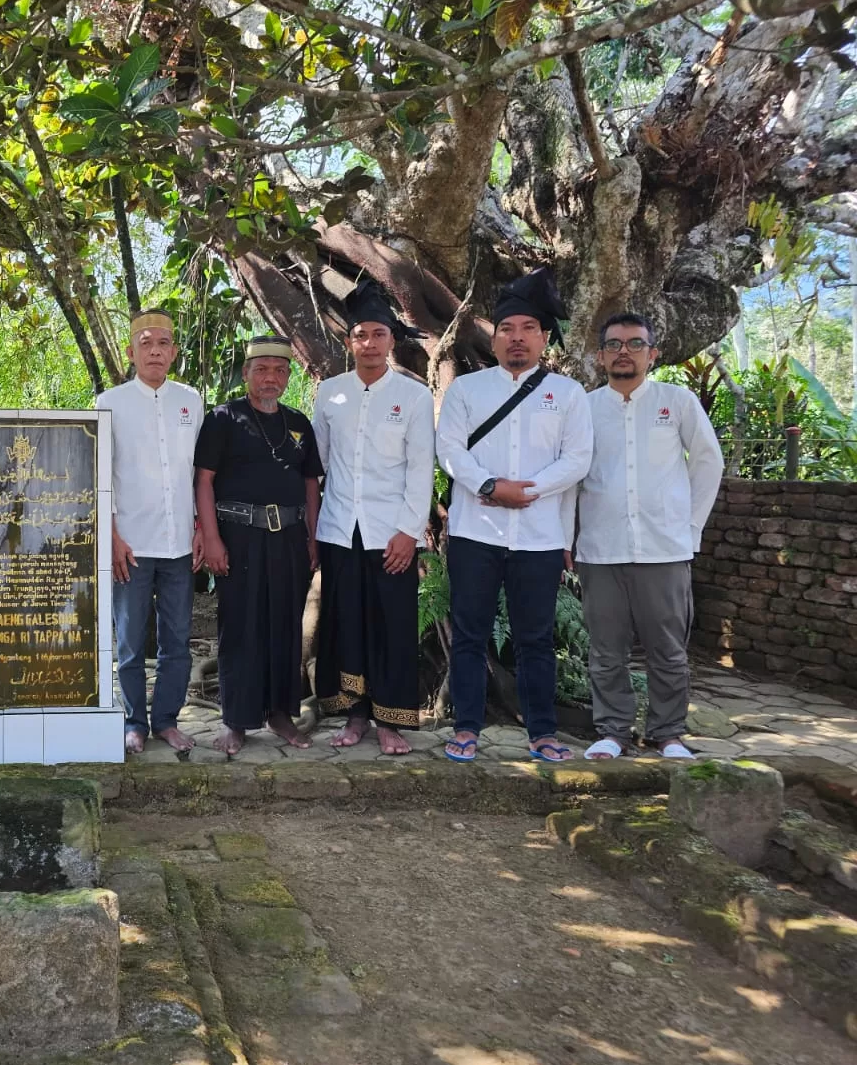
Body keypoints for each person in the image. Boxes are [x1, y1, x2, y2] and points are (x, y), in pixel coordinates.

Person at [437, 269, 592, 763]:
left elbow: (577, 460)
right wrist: (489, 486)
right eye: (508, 328)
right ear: (495, 335)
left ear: (543, 338)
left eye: (528, 328)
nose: (517, 337)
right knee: (468, 635)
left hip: (540, 537)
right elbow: (450, 450)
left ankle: (542, 732)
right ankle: (465, 728)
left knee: (534, 639)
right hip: (473, 533)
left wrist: (525, 492)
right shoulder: (466, 390)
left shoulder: (568, 395)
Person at [576, 313, 724, 760]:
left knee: (668, 650)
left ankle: (669, 734)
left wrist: (690, 528)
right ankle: (613, 732)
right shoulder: (583, 407)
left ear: (652, 353)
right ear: (600, 357)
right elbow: (570, 476)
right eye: (615, 344)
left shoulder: (676, 402)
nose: (625, 351)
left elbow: (707, 463)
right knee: (606, 650)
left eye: (635, 343)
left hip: (665, 548)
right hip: (600, 549)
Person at [312, 287, 434, 755]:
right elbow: (320, 462)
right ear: (349, 342)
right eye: (360, 335)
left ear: (391, 341)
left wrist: (408, 531)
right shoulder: (329, 393)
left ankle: (391, 720)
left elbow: (421, 467)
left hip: (392, 533)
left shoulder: (413, 396)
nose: (369, 343)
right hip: (340, 527)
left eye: (378, 334)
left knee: (392, 623)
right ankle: (356, 716)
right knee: (347, 623)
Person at [193, 335, 323, 756]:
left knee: (285, 626)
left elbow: (310, 485)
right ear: (246, 373)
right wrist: (211, 538)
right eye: (262, 369)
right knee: (241, 627)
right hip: (239, 537)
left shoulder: (299, 423)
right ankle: (236, 720)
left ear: (288, 376)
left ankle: (281, 713)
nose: (271, 378)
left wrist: (313, 538)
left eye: (280, 370)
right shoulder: (223, 418)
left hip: (289, 539)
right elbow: (204, 481)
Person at [96, 310, 205, 754]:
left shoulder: (191, 401)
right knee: (129, 638)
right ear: (131, 351)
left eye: (163, 343)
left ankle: (166, 720)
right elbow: (99, 473)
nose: (155, 350)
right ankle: (134, 721)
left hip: (180, 540)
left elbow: (200, 472)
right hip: (131, 543)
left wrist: (201, 525)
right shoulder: (109, 403)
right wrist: (113, 535)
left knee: (177, 638)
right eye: (146, 343)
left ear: (174, 351)